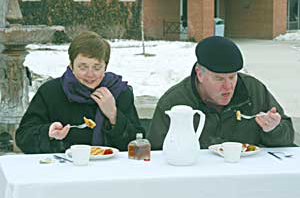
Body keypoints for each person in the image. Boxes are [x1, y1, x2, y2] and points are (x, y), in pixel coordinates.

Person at [147, 36, 295, 150]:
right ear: (200, 74)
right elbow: (156, 153)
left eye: (232, 77)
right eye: (218, 79)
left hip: (247, 178)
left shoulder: (254, 90)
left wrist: (273, 129)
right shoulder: (174, 101)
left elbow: (287, 140)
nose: (228, 86)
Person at [16, 31, 144, 153]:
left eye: (97, 67)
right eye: (83, 67)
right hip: (62, 170)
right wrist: (48, 133)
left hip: (109, 169)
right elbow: (22, 137)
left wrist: (113, 115)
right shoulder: (50, 92)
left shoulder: (119, 92)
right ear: (71, 66)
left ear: (105, 66)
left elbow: (138, 144)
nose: (90, 74)